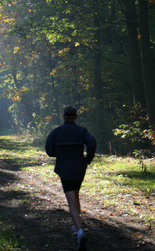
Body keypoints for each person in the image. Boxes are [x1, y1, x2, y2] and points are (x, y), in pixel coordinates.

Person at [45, 106, 97, 251]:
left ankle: (80, 232)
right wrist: (88, 159)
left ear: (63, 117)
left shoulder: (56, 131)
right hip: (79, 168)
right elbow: (92, 143)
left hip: (65, 168)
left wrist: (60, 153)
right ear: (75, 117)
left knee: (71, 200)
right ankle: (75, 226)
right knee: (75, 195)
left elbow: (49, 151)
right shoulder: (82, 131)